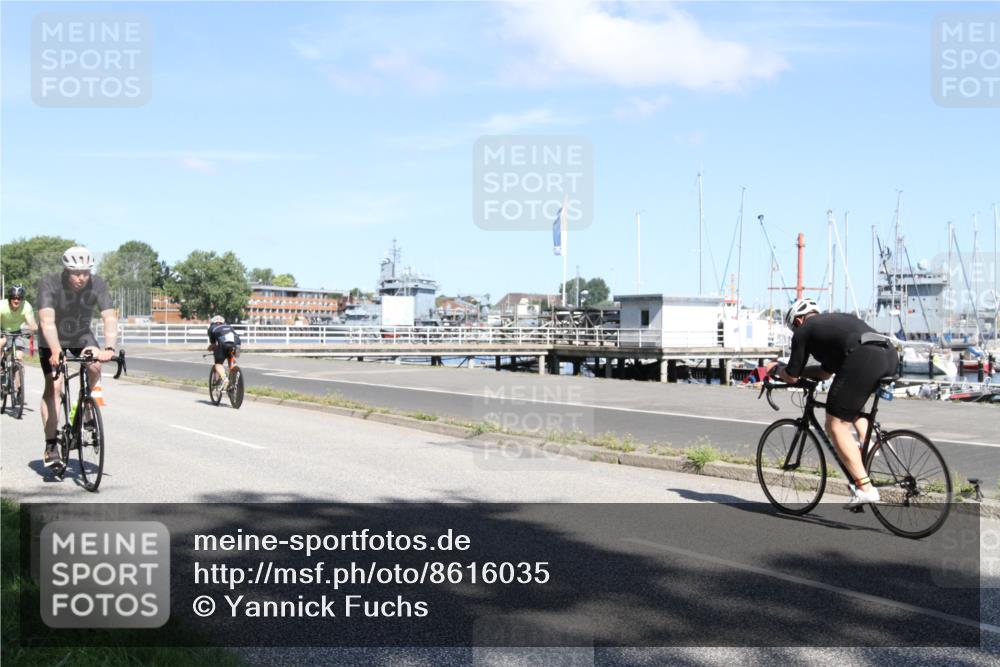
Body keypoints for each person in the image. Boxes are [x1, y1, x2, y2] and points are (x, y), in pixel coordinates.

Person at [772, 298, 899, 508]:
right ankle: (868, 443)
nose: (795, 330)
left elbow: (792, 375)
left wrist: (776, 370)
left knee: (835, 425)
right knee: (848, 404)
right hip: (889, 355)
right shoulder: (832, 326)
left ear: (798, 320)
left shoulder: (805, 330)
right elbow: (824, 373)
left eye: (794, 326)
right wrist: (803, 373)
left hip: (864, 357)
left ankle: (865, 488)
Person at [36, 246, 118, 468]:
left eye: (86, 272)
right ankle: (51, 445)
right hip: (51, 337)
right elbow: (46, 322)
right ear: (66, 271)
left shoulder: (97, 283)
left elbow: (109, 317)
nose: (82, 278)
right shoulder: (49, 283)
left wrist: (109, 348)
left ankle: (84, 406)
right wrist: (56, 350)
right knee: (54, 386)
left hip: (81, 334)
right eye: (76, 273)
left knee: (94, 366)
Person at [1, 284, 38, 364]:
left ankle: (17, 370)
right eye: (14, 298)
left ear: (22, 299)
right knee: (1, 342)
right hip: (2, 331)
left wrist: (33, 329)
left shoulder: (26, 306)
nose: (16, 301)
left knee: (19, 355)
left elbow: (31, 322)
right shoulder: (2, 305)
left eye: (19, 298)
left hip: (16, 332)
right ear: (9, 298)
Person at [207, 315, 241, 390]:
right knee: (230, 357)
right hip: (237, 344)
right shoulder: (229, 326)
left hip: (223, 345)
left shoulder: (212, 328)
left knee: (218, 364)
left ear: (213, 322)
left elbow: (213, 344)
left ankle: (225, 379)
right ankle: (234, 373)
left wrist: (209, 349)